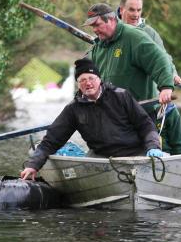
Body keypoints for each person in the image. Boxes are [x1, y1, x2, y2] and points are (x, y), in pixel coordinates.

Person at [20, 58, 164, 181]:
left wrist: (153, 146)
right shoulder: (73, 109)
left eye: (91, 78)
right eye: (82, 80)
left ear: (99, 80)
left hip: (135, 152)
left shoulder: (121, 96)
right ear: (78, 84)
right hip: (101, 157)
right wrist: (33, 165)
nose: (88, 83)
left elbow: (146, 126)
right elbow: (51, 141)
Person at [86, 1, 181, 155]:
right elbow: (87, 73)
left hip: (141, 116)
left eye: (97, 25)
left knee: (141, 153)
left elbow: (160, 59)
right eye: (92, 27)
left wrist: (165, 87)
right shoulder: (99, 46)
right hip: (114, 117)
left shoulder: (133, 37)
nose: (95, 30)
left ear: (111, 20)